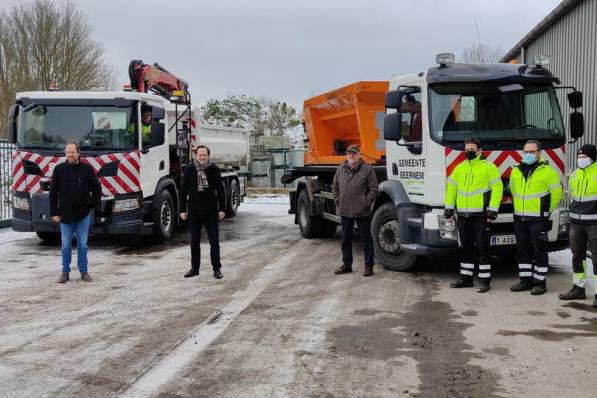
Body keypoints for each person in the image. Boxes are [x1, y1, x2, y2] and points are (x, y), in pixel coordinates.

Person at [445, 138, 503, 293]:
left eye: (472, 149)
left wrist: (493, 210)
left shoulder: (489, 167)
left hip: (481, 216)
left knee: (483, 248)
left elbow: (497, 189)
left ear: (479, 150)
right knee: (465, 248)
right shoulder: (459, 168)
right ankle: (466, 279)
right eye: (467, 149)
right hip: (463, 215)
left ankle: (484, 281)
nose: (469, 152)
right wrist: (449, 209)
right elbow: (451, 189)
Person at [510, 139, 563, 295]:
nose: (528, 154)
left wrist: (545, 211)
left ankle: (540, 283)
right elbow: (513, 191)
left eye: (531, 152)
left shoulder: (548, 172)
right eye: (525, 152)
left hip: (538, 219)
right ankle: (525, 281)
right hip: (520, 218)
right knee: (522, 250)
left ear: (539, 153)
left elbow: (556, 194)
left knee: (539, 250)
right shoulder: (515, 170)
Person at [50, 140, 101, 283]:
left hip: (83, 214)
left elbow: (97, 189)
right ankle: (65, 272)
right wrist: (54, 212)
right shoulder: (59, 169)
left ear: (78, 153)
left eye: (72, 152)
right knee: (65, 245)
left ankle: (84, 272)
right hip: (65, 214)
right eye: (67, 152)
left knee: (83, 245)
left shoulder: (87, 169)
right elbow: (53, 193)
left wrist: (91, 204)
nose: (70, 155)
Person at [180, 145, 226, 279]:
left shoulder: (214, 169)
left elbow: (221, 191)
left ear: (208, 156)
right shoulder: (189, 169)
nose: (202, 157)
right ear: (196, 155)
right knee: (194, 242)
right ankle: (195, 268)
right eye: (200, 155)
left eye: (204, 155)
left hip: (211, 212)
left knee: (214, 241)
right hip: (194, 212)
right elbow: (183, 192)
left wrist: (222, 209)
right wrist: (182, 210)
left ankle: (216, 269)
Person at [332, 144, 379, 277]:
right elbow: (334, 186)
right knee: (346, 238)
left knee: (366, 239)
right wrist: (337, 199)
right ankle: (347, 265)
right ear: (347, 155)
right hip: (345, 209)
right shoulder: (340, 169)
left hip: (362, 210)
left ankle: (369, 266)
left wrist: (366, 202)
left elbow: (374, 189)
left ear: (359, 155)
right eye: (349, 153)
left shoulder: (367, 169)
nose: (351, 155)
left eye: (354, 153)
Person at [559, 144, 597, 307]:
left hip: (594, 222)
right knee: (577, 256)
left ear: (592, 157)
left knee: (596, 257)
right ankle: (578, 288)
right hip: (576, 223)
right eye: (579, 157)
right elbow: (573, 197)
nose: (581, 159)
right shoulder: (574, 175)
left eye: (584, 157)